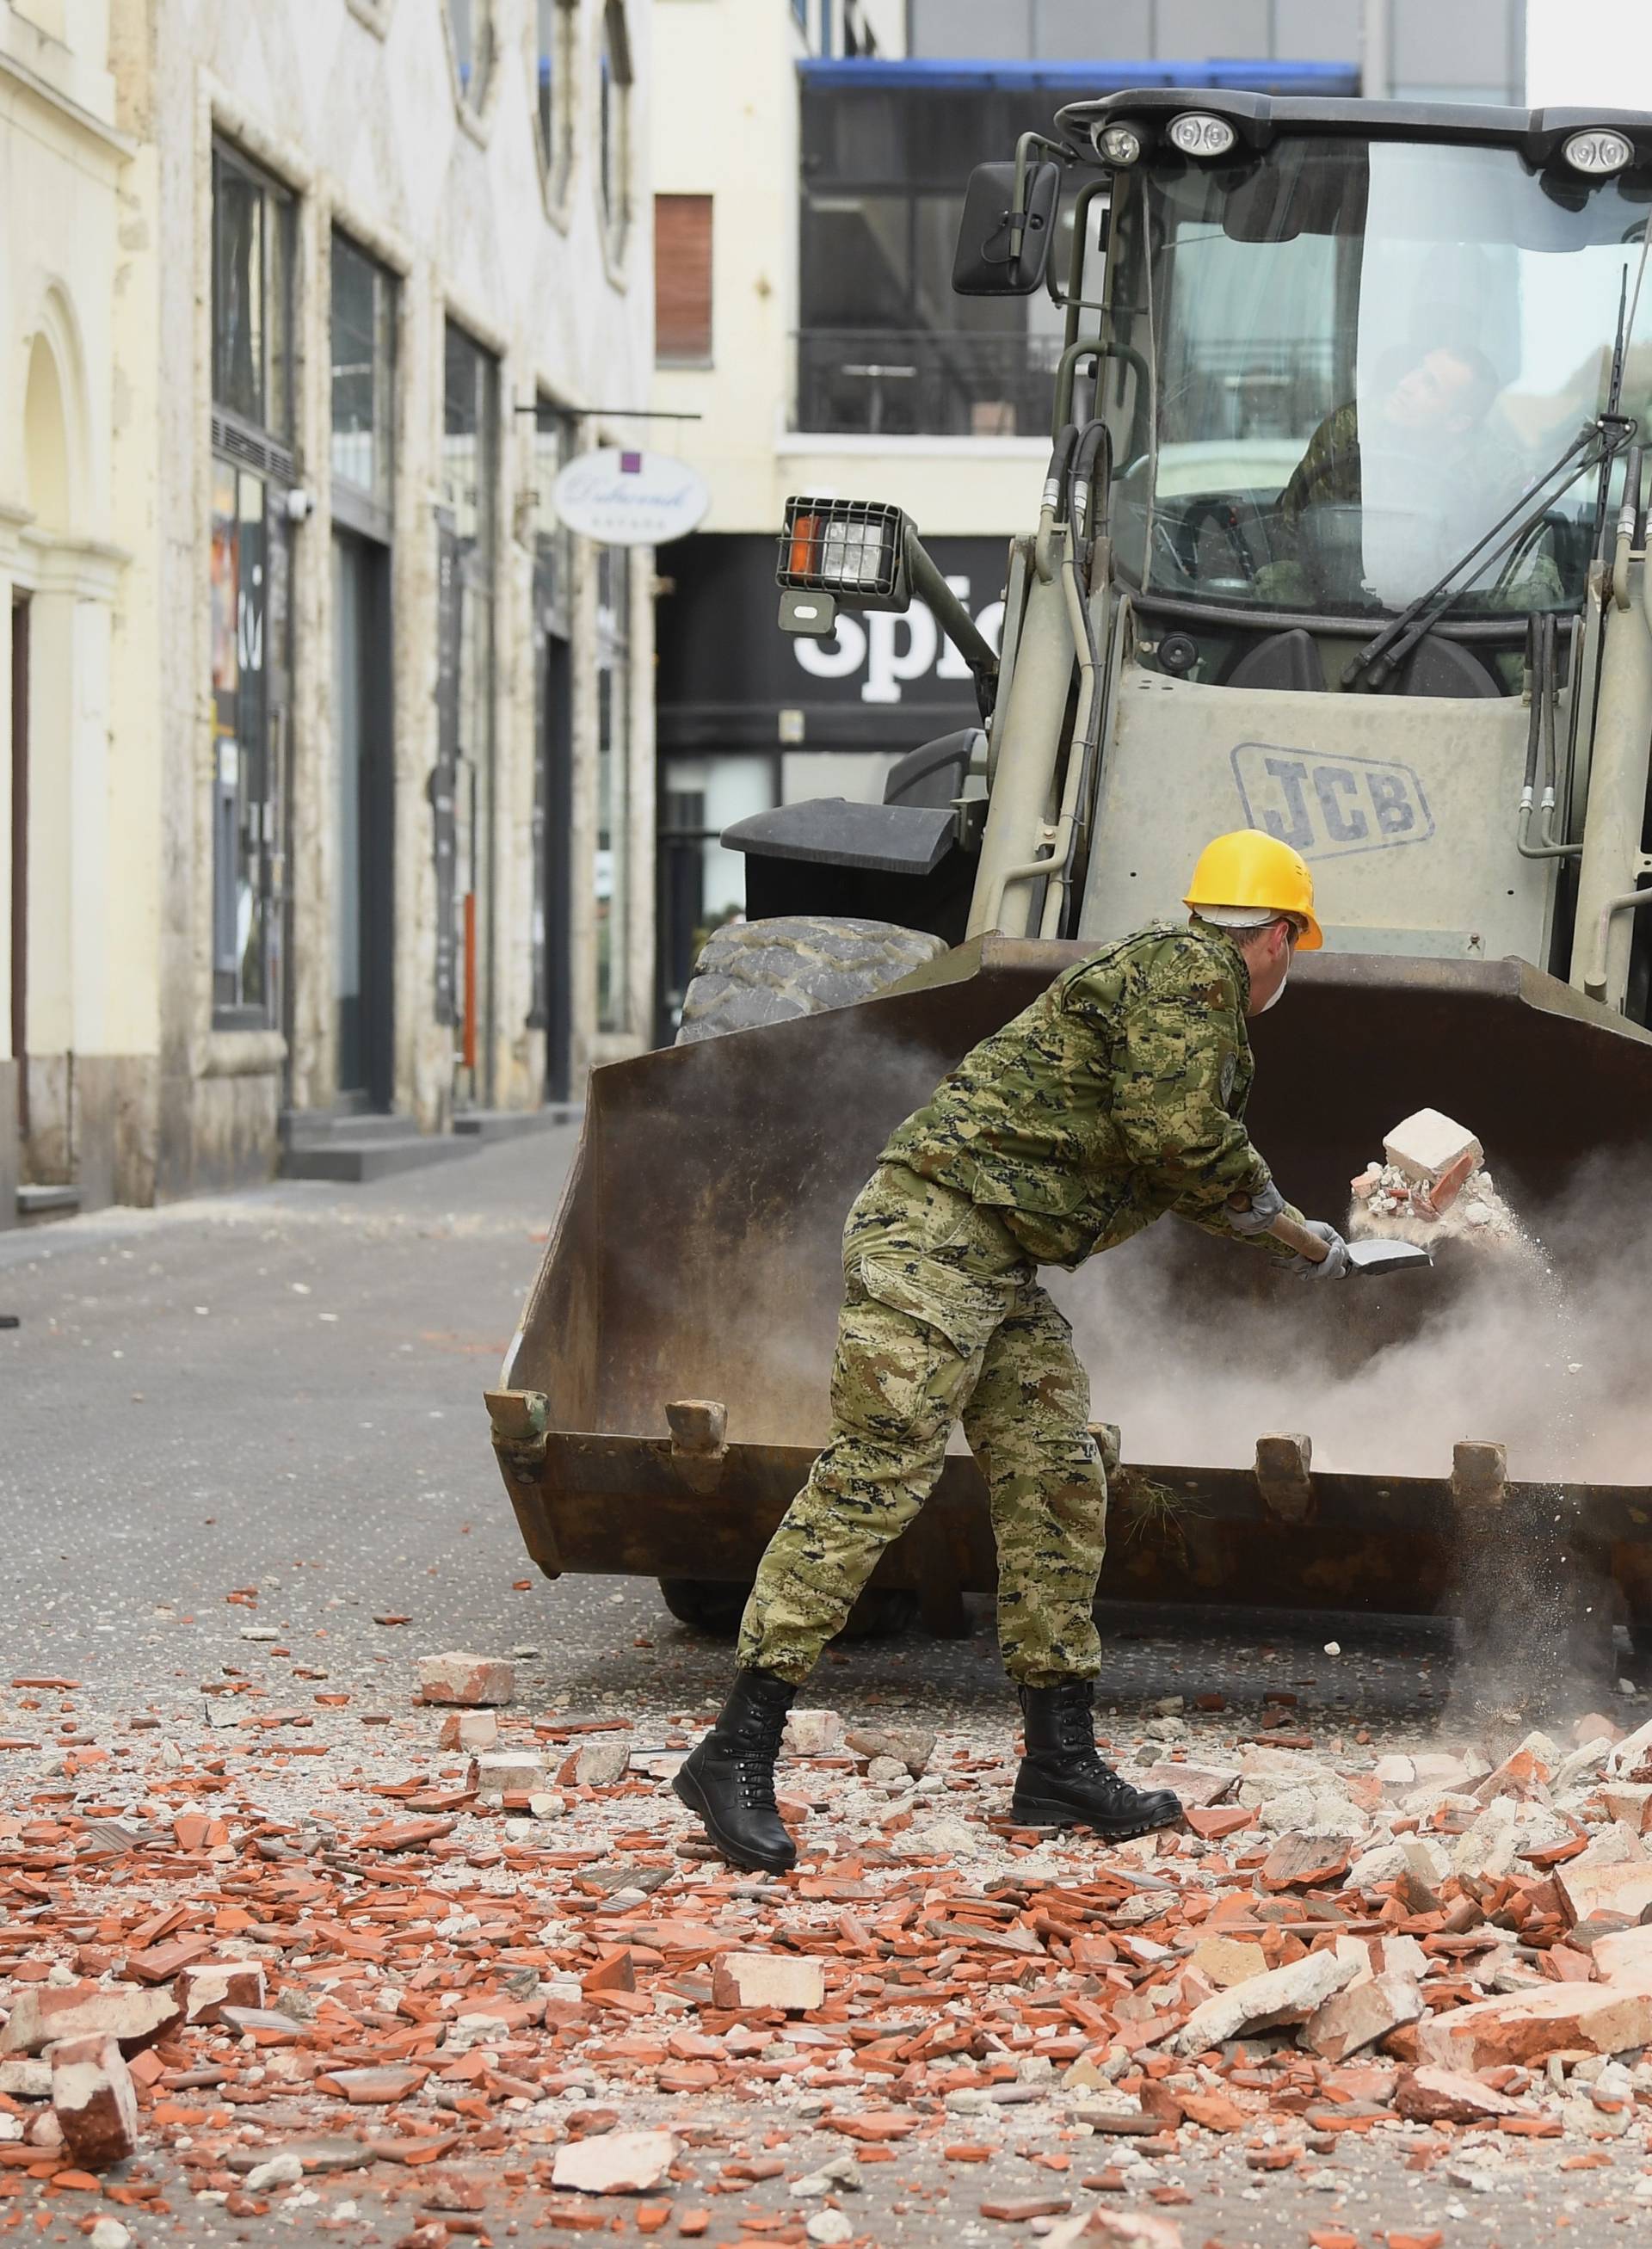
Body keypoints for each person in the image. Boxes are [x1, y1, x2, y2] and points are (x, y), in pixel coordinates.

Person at [674, 829, 1349, 1875]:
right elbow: (1178, 1136)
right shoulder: (1187, 970)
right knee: (877, 1474)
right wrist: (1290, 1226)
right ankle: (736, 1749)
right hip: (934, 1232)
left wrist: (1284, 1234)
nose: (1287, 968)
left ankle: (1057, 1763)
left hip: (992, 1258)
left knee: (1055, 1476)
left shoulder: (1174, 987)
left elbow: (1165, 1154)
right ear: (1272, 937)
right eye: (1294, 946)